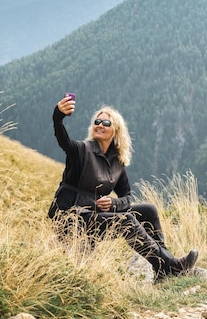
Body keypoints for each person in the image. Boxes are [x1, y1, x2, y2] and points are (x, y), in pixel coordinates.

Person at [47, 94, 198, 282]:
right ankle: (169, 265)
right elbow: (63, 140)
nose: (100, 125)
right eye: (97, 121)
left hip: (94, 214)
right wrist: (58, 116)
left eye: (106, 123)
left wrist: (113, 203)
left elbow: (126, 197)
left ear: (116, 131)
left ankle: (162, 268)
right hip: (71, 215)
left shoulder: (118, 162)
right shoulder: (81, 150)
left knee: (148, 210)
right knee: (125, 220)